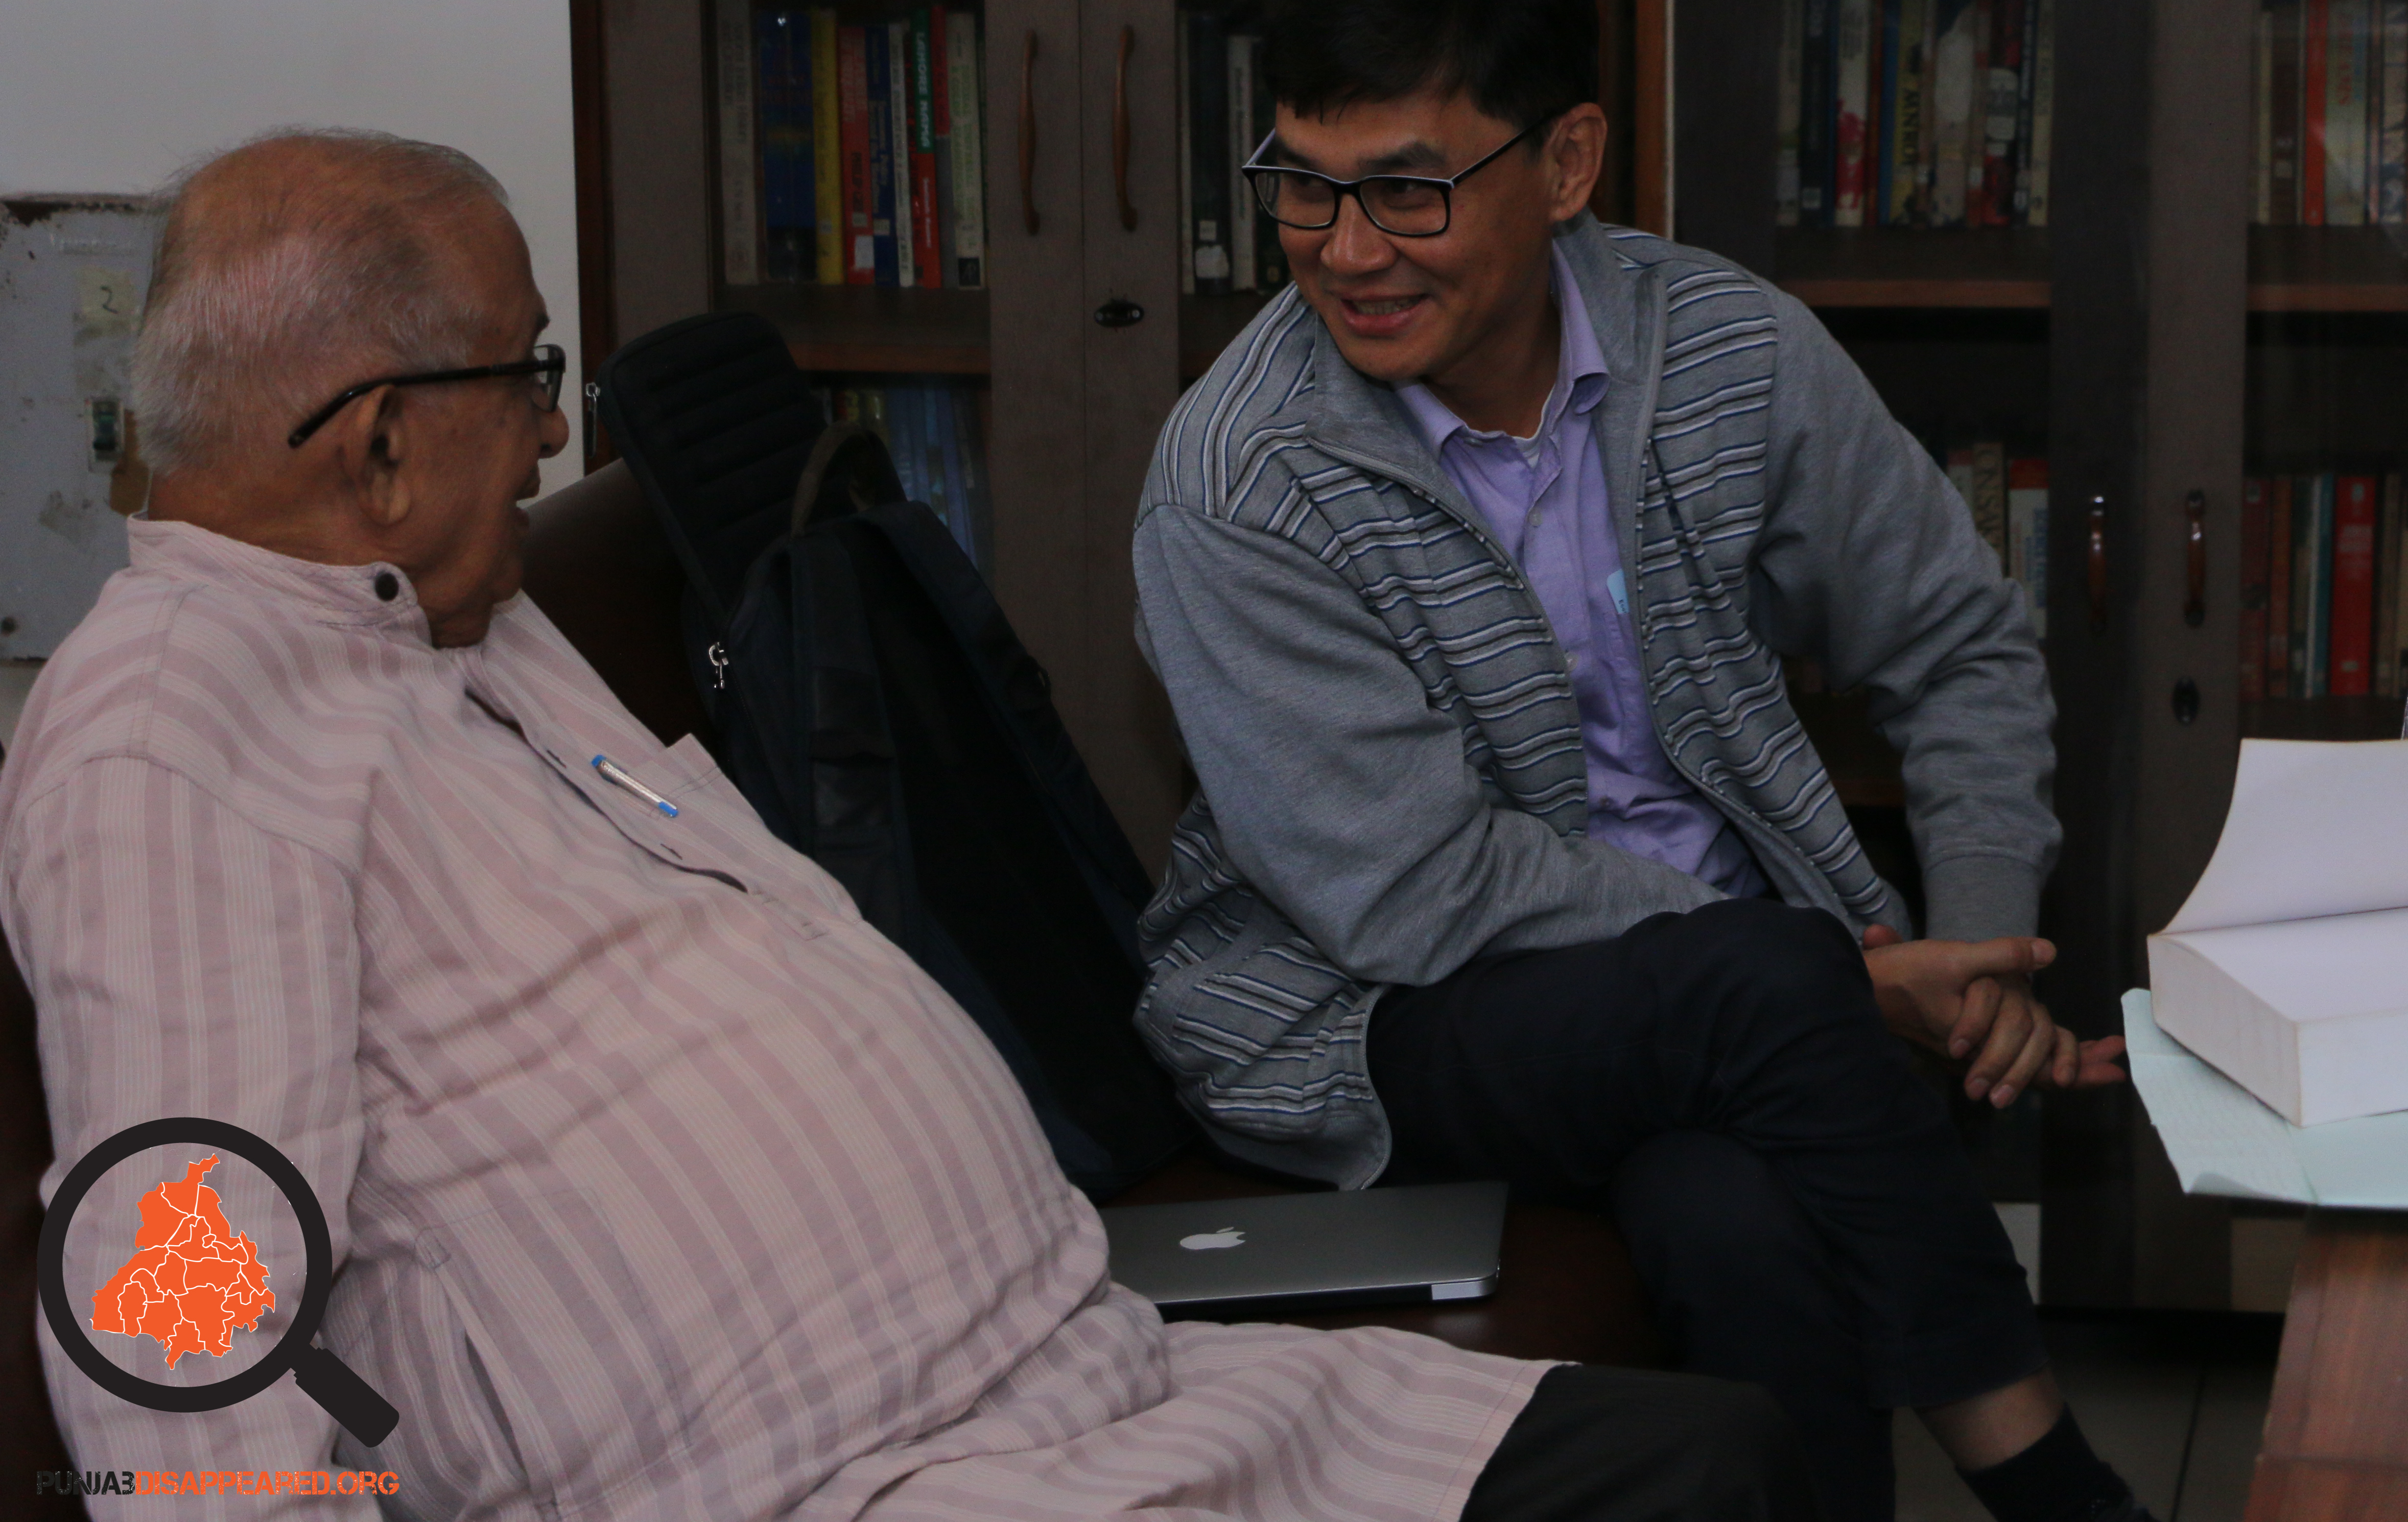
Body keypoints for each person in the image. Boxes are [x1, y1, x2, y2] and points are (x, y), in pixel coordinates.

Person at [2, 129, 1820, 1521]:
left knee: (1723, 1459)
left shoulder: (455, 617)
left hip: (1086, 1389)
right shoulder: (169, 746)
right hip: (847, 1487)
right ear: (380, 444)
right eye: (526, 377)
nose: (552, 437)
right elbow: (183, 1317)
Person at [1132, 0, 2148, 1522]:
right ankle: (2061, 1497)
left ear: (1567, 163)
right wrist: (1841, 981)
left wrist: (1974, 946)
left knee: (1729, 1218)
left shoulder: (1728, 350)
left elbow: (1957, 644)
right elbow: (1412, 894)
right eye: (1304, 188)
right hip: (1376, 1014)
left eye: (1407, 190)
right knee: (1767, 979)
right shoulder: (1242, 480)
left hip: (1736, 1012)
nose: (1347, 252)